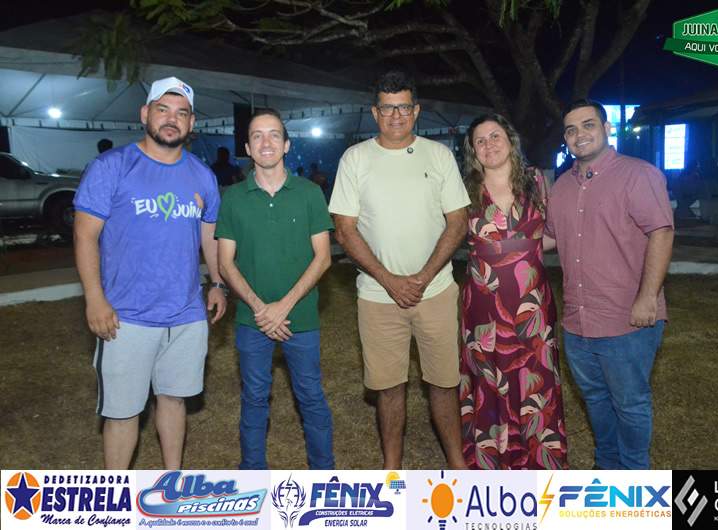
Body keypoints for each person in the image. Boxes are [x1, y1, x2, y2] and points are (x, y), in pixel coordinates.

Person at [73, 76, 227, 469]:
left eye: (182, 113)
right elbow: (85, 235)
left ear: (192, 123)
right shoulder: (112, 167)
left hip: (186, 315)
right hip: (126, 317)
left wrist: (217, 283)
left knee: (174, 400)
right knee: (123, 413)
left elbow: (209, 236)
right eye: (163, 110)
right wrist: (95, 298)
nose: (172, 119)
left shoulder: (202, 175)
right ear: (145, 114)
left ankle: (171, 481)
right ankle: (115, 494)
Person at [329, 70, 470, 469]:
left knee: (443, 382)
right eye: (387, 108)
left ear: (416, 111)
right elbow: (345, 229)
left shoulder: (438, 155)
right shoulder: (355, 159)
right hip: (378, 296)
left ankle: (457, 463)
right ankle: (392, 468)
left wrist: (423, 278)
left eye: (403, 108)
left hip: (436, 291)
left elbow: (458, 221)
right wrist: (389, 281)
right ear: (375, 113)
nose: (396, 116)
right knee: (389, 387)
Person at [546, 99, 674, 470]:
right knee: (596, 400)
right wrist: (501, 248)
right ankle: (607, 468)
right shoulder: (562, 187)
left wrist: (648, 297)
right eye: (571, 130)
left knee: (630, 403)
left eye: (588, 125)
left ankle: (634, 477)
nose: (579, 135)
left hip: (626, 319)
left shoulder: (638, 174)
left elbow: (662, 232)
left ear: (606, 128)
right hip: (578, 321)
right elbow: (549, 237)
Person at [216, 108, 335, 470]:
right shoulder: (234, 197)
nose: (265, 142)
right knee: (254, 398)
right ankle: (253, 478)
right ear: (247, 148)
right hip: (252, 320)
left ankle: (323, 477)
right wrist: (260, 308)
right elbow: (225, 263)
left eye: (273, 135)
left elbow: (323, 258)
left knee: (311, 397)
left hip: (301, 317)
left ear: (286, 145)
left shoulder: (310, 193)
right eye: (257, 136)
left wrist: (283, 306)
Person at [459, 114, 568, 470]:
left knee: (535, 378)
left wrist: (523, 251)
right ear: (473, 151)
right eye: (480, 140)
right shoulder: (462, 191)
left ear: (510, 139)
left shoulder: (537, 181)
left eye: (495, 136)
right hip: (483, 306)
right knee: (489, 380)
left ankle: (539, 460)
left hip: (531, 302)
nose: (488, 144)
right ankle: (493, 461)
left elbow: (552, 234)